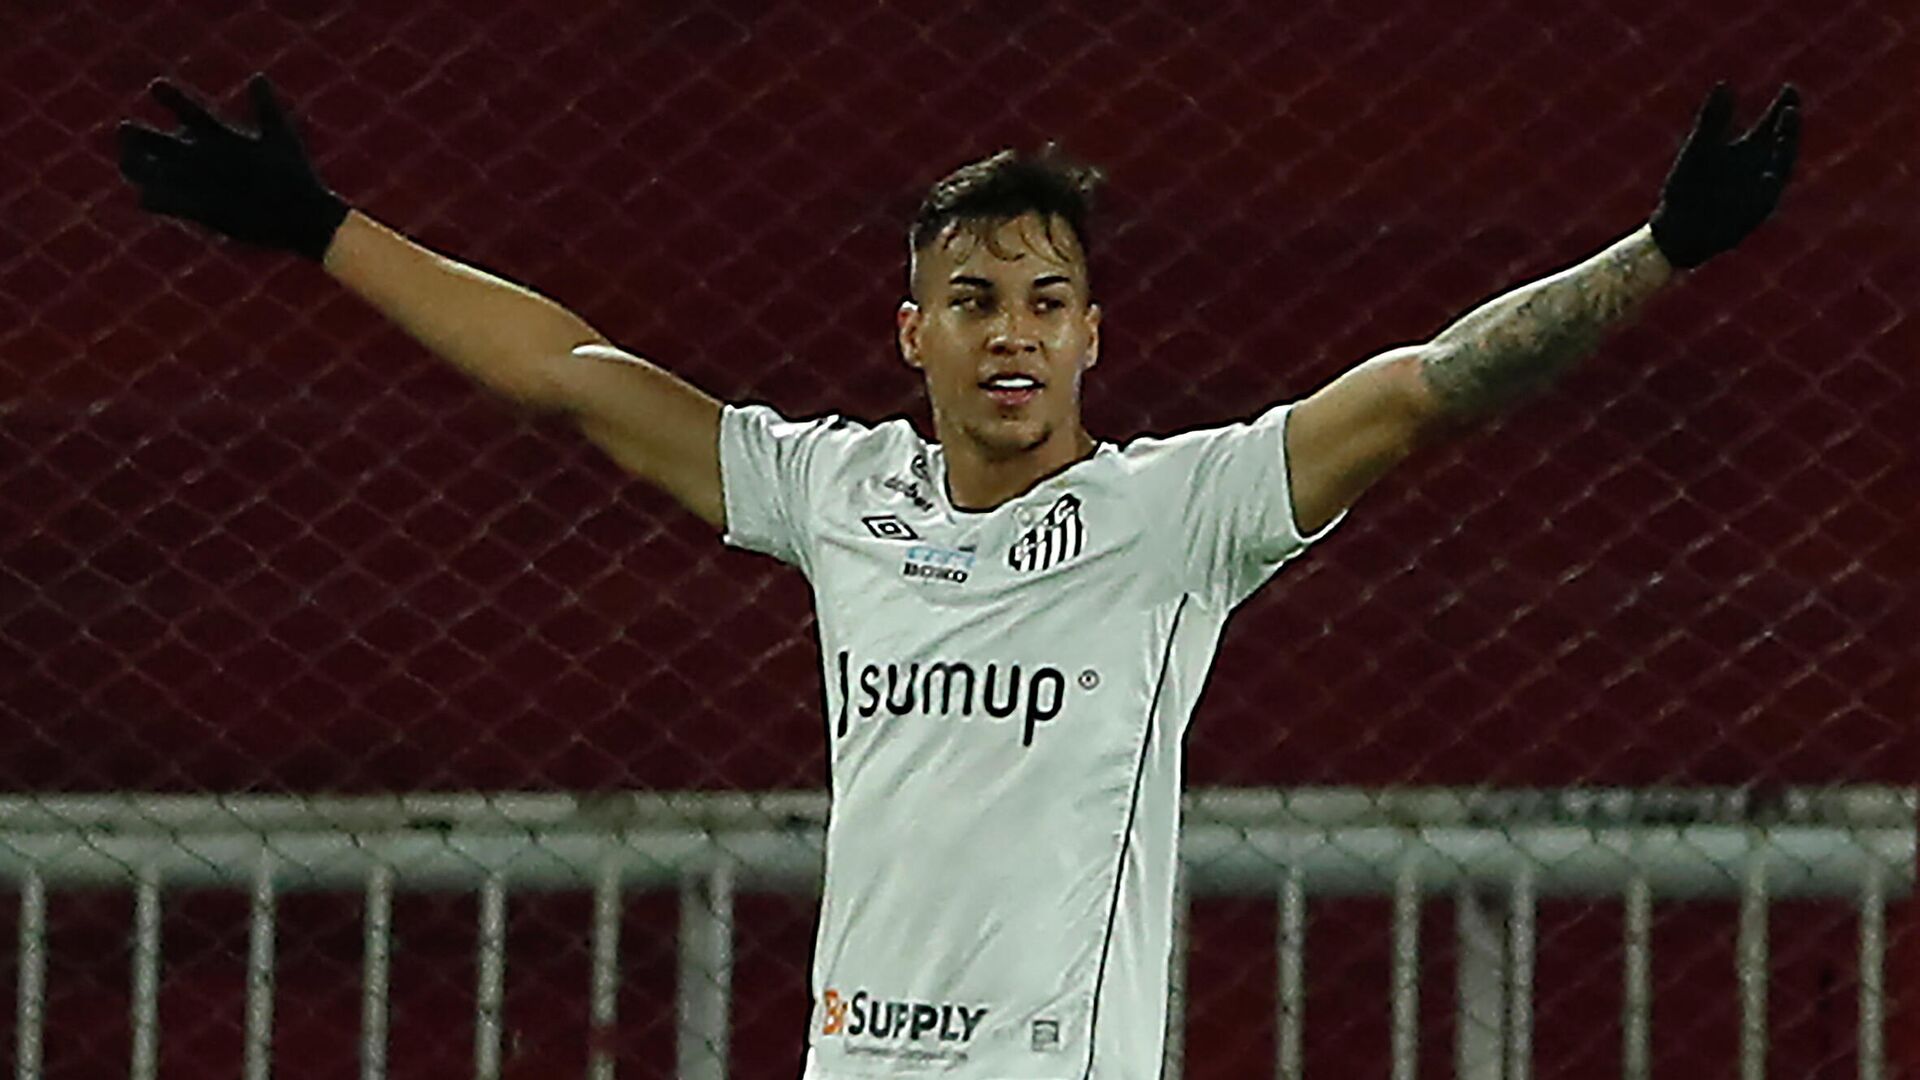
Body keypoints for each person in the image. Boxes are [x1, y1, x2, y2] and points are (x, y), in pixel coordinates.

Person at [118, 75, 1799, 1078]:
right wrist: (321, 225)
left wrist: (1658, 258)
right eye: (977, 299)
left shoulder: (1185, 514)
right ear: (916, 334)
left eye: (1047, 300)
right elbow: (568, 372)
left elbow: (1437, 381)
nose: (1014, 333)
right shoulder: (836, 491)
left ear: (1091, 336)